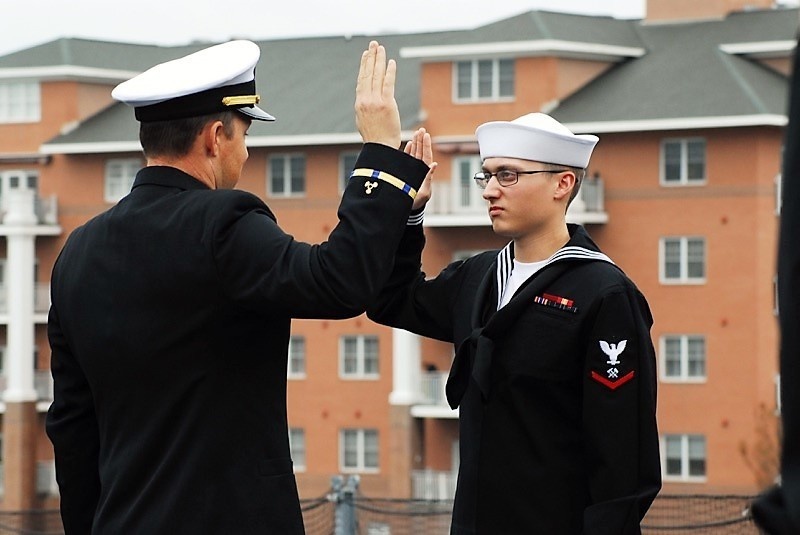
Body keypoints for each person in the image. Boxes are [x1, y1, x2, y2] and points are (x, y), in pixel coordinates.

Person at [45, 39, 430, 534]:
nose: (246, 152)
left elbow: (72, 429)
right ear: (214, 138)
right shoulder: (224, 222)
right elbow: (339, 283)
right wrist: (380, 160)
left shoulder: (77, 252)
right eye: (244, 133)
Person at [370, 113, 661, 534]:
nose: (489, 190)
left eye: (507, 175)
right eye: (486, 175)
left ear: (562, 184)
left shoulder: (604, 293)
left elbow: (622, 458)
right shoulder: (478, 275)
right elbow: (391, 302)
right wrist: (411, 214)